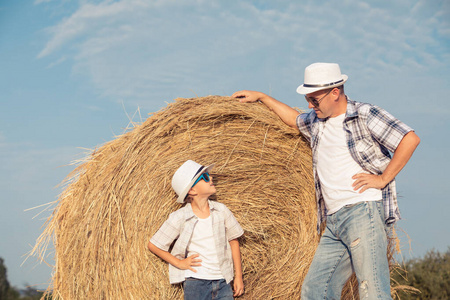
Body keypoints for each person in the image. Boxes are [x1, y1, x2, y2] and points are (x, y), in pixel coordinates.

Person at [232, 62, 420, 299]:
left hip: (362, 212)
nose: (310, 105)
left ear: (335, 92)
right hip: (333, 221)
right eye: (308, 99)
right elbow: (294, 119)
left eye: (315, 100)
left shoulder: (364, 114)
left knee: (372, 290)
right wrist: (262, 97)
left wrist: (383, 179)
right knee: (315, 289)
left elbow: (409, 139)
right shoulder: (317, 122)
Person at [148, 160, 245, 300]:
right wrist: (179, 263)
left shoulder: (221, 210)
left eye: (209, 175)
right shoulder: (180, 217)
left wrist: (238, 277)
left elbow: (233, 241)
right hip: (196, 282)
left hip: (223, 280)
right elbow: (154, 245)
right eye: (204, 177)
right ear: (192, 190)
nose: (210, 178)